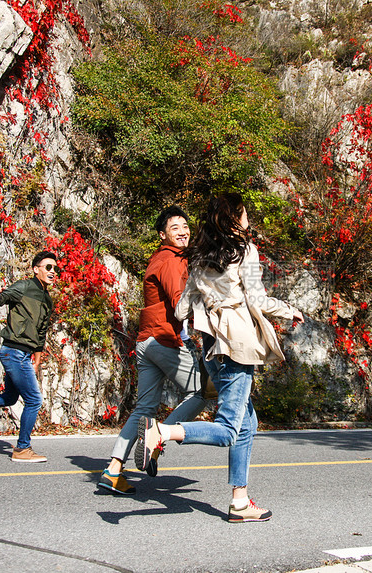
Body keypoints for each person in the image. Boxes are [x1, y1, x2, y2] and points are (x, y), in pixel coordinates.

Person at [134, 193, 303, 522]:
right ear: (234, 217)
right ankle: (160, 433)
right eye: (244, 212)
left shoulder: (199, 258)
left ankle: (240, 499)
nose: (247, 217)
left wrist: (207, 302)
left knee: (247, 424)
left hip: (210, 348)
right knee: (228, 429)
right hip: (237, 348)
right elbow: (257, 299)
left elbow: (182, 308)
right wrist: (289, 310)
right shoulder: (244, 251)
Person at [98, 206, 209, 495]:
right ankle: (156, 439)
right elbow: (179, 302)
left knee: (144, 409)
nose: (183, 231)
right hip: (162, 339)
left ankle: (112, 470)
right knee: (200, 392)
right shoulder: (171, 260)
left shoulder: (159, 257)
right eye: (175, 227)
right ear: (163, 235)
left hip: (145, 341)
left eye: (185, 225)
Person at [0, 251, 56, 462]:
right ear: (36, 269)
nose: (53, 272)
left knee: (9, 397)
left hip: (24, 355)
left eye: (55, 269)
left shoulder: (47, 299)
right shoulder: (25, 287)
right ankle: (22, 449)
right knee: (34, 399)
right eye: (48, 267)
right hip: (14, 352)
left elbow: (41, 332)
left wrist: (38, 359)